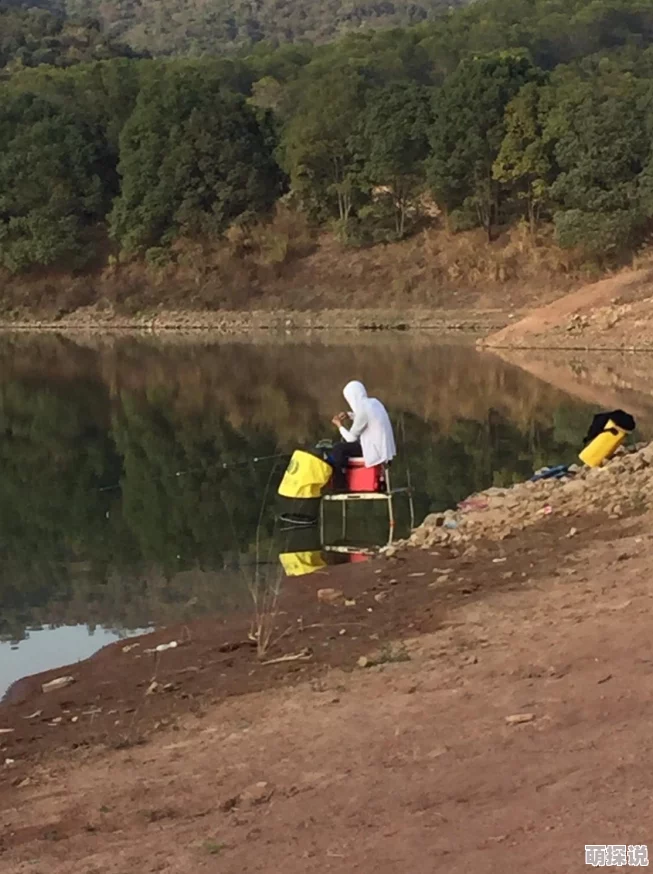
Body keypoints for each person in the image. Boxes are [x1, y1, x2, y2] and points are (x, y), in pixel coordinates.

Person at [329, 380, 396, 490]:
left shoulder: (362, 410)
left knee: (338, 448)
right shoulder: (374, 403)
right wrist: (349, 415)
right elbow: (367, 418)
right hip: (383, 448)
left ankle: (340, 484)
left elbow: (350, 438)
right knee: (344, 449)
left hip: (373, 450)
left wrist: (339, 425)